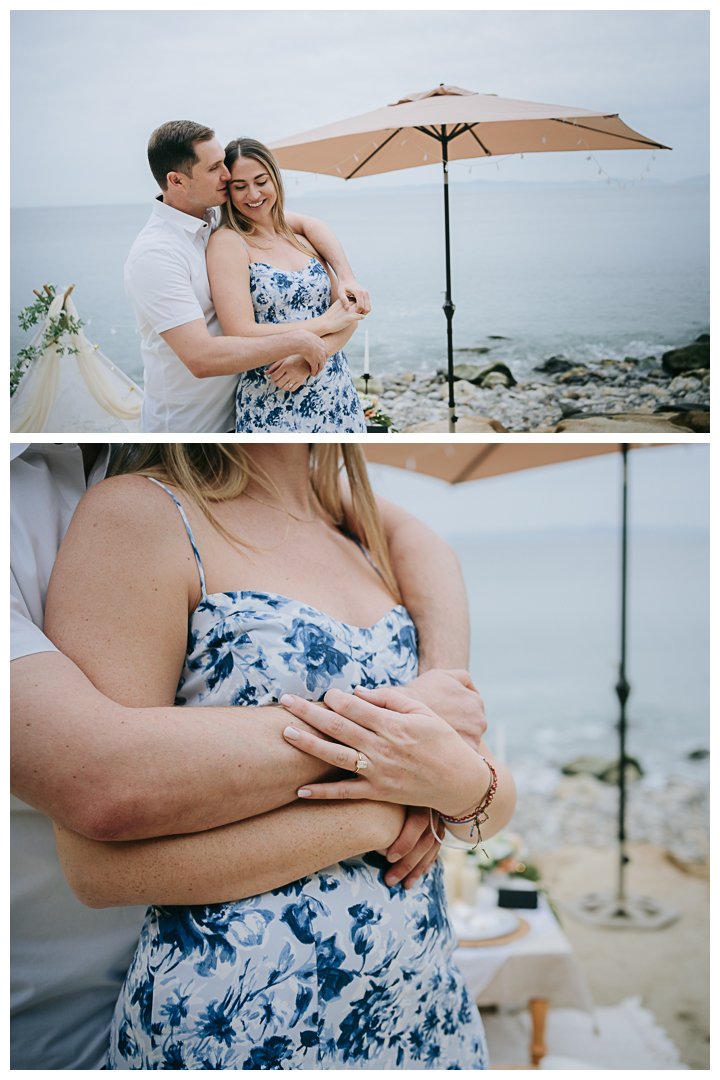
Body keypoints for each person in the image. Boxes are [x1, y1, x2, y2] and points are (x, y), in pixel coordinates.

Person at [11, 441, 489, 1070]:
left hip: (424, 1009)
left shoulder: (367, 534)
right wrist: (382, 803)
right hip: (238, 1024)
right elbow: (100, 831)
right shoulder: (132, 512)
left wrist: (446, 761)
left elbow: (483, 784)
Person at [124, 121, 370, 433]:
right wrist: (313, 332)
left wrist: (346, 275)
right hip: (191, 428)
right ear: (177, 180)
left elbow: (307, 223)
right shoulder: (156, 254)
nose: (227, 177)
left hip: (306, 396)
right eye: (216, 168)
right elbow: (202, 358)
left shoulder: (210, 215)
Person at [206, 138, 367, 432]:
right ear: (228, 191)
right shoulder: (228, 242)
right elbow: (240, 332)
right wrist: (318, 327)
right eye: (240, 186)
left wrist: (309, 361)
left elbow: (348, 318)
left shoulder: (301, 237)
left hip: (335, 391)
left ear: (275, 180)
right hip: (274, 399)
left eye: (260, 181)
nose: (252, 194)